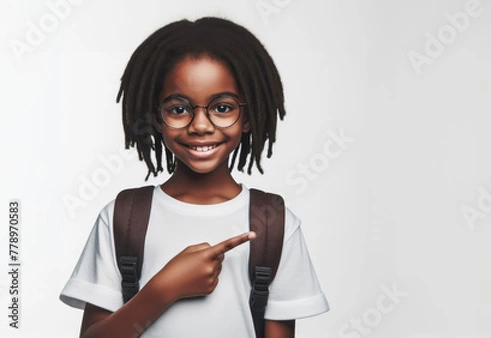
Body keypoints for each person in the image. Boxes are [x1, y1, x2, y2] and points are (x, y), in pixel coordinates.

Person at [59, 16, 329, 338]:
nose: (200, 125)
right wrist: (165, 288)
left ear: (248, 117)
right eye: (178, 109)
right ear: (156, 118)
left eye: (223, 107)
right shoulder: (124, 217)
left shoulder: (272, 224)